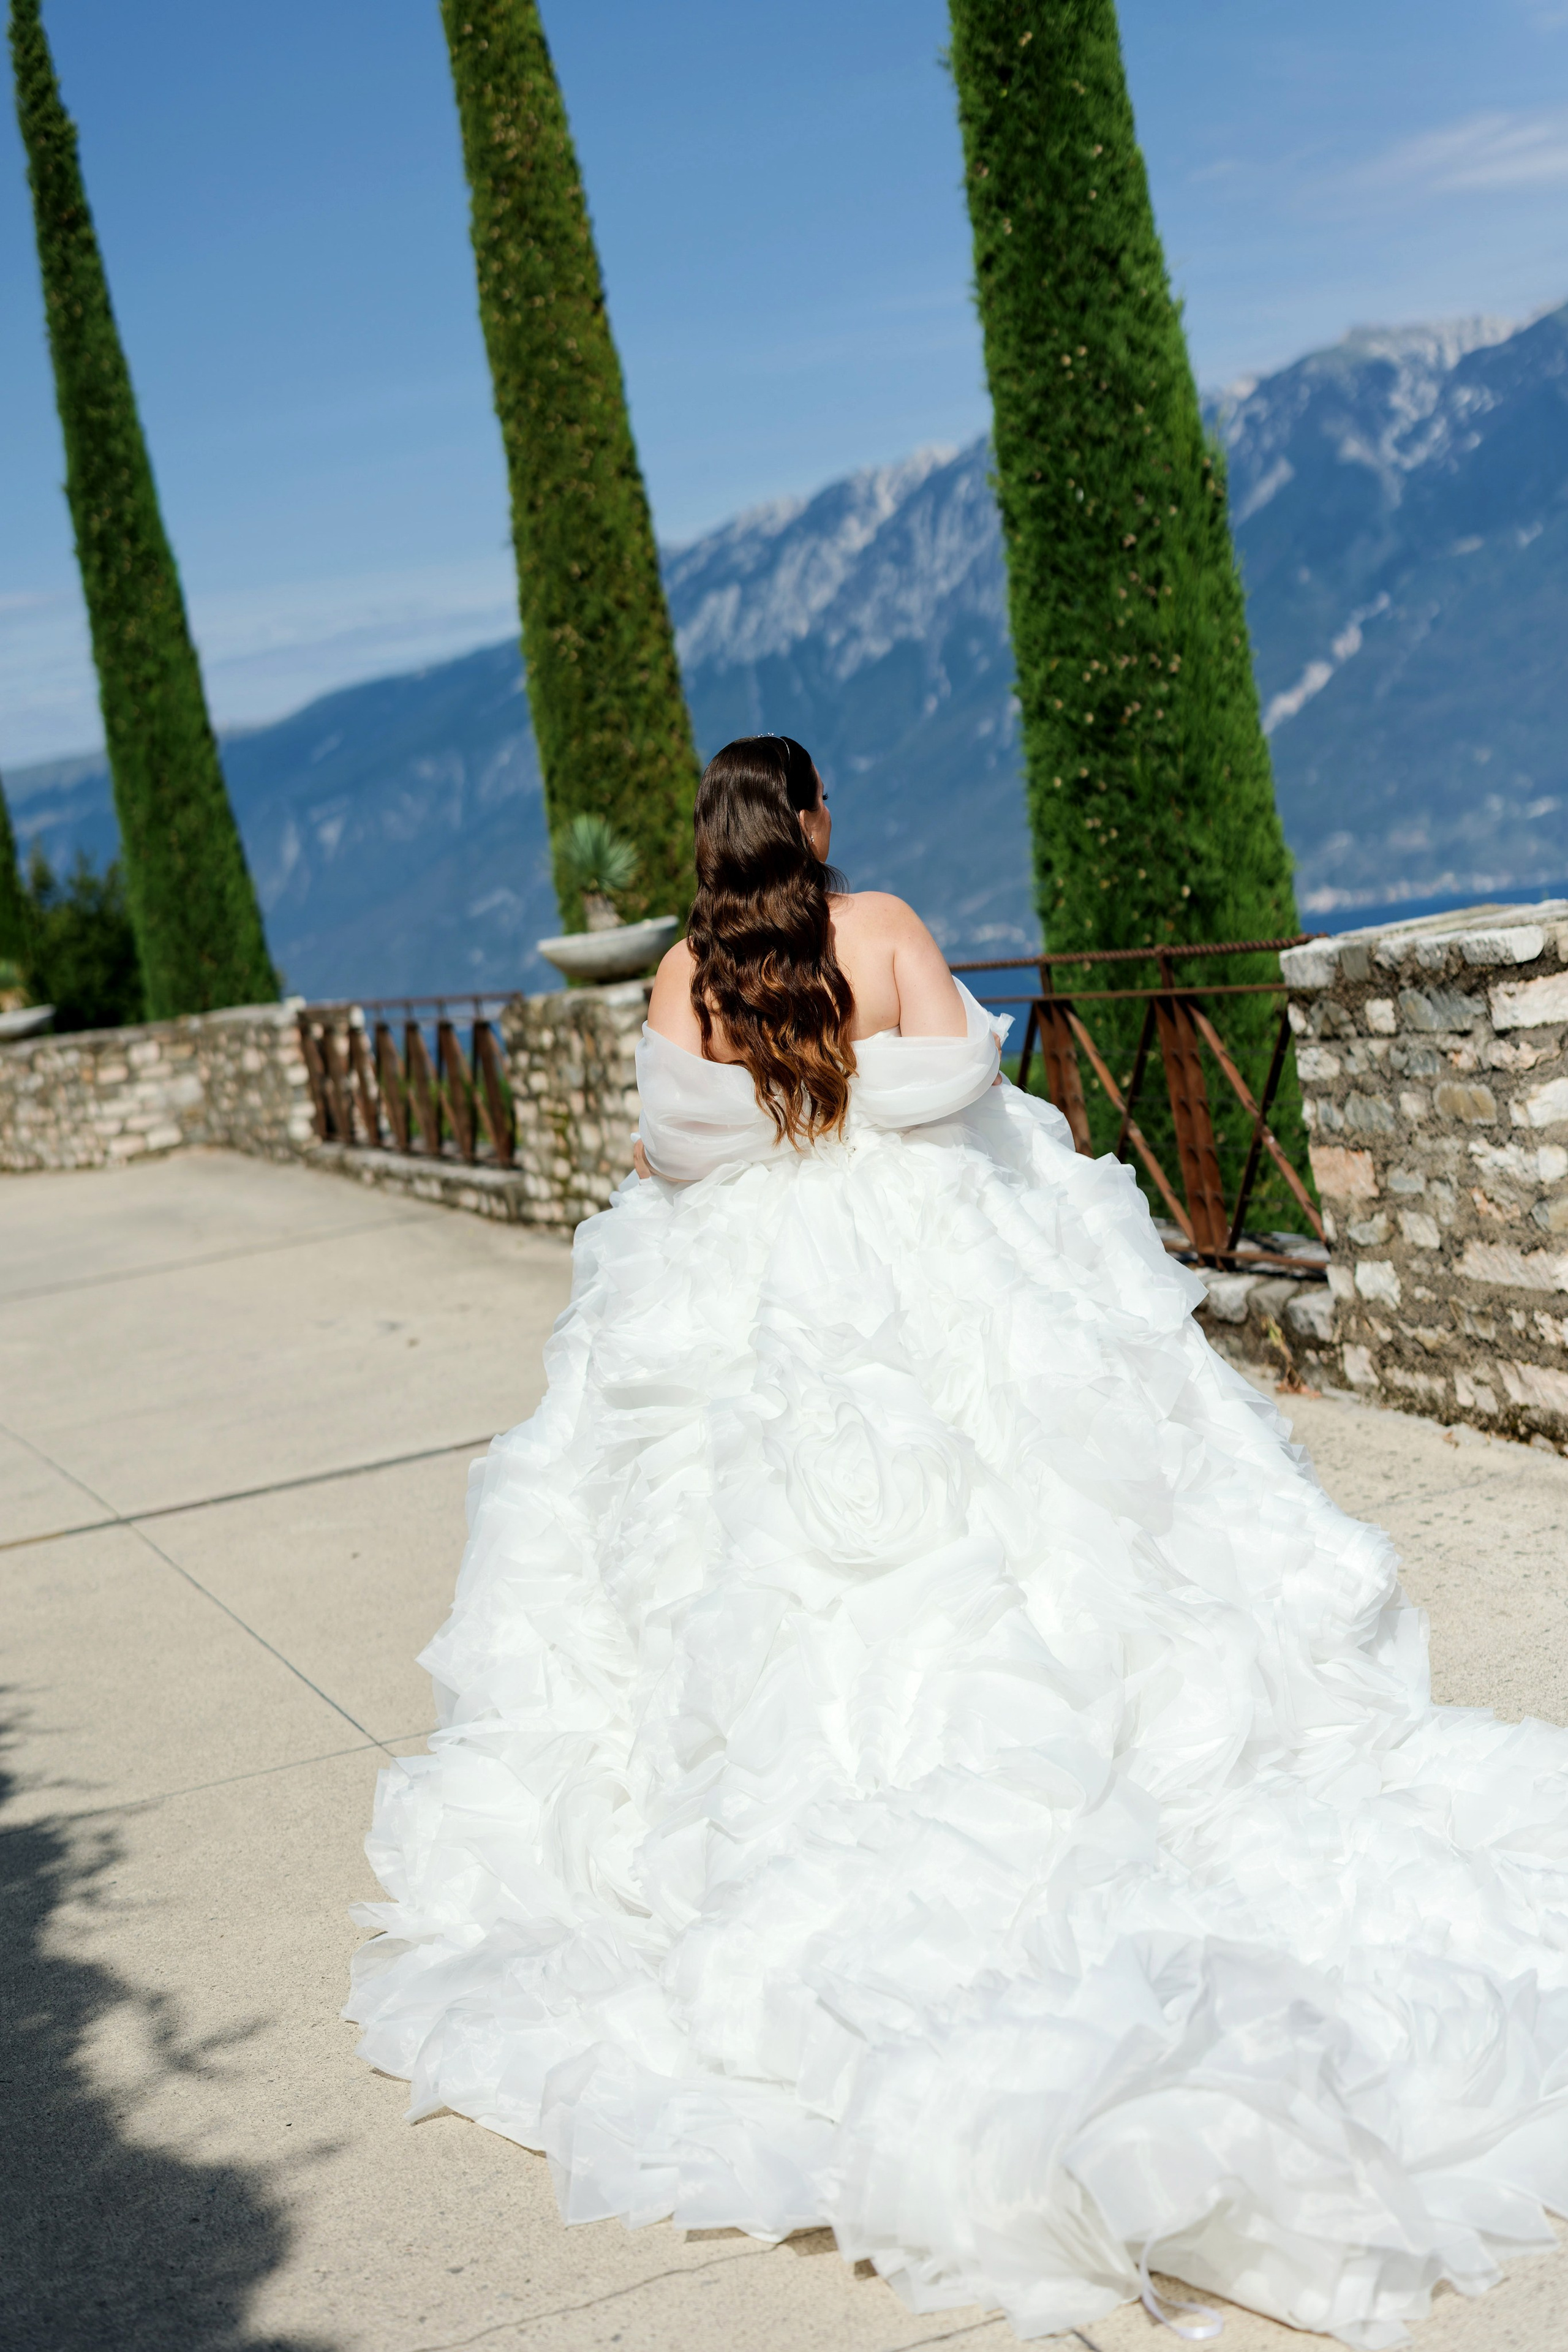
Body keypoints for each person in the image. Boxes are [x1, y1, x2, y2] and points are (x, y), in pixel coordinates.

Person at [347, 734, 1568, 2348]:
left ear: (709, 850)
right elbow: (964, 1083)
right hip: (930, 1261)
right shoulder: (892, 927)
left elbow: (673, 1151)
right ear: (816, 824)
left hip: (754, 1306)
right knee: (1049, 1525)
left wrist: (770, 1122)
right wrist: (857, 1100)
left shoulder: (676, 983)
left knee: (747, 1584)